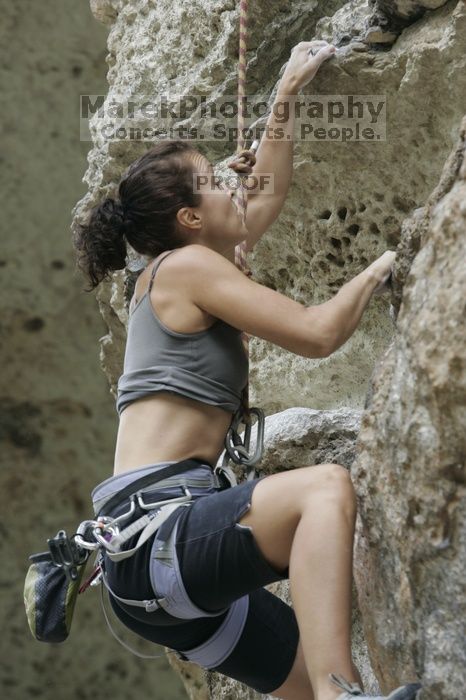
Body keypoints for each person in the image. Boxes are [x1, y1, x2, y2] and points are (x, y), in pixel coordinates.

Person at [72, 40, 421, 700]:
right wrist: (386, 264)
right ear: (188, 218)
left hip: (146, 576)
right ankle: (342, 693)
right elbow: (318, 336)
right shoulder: (189, 269)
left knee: (291, 686)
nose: (233, 182)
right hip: (161, 541)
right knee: (325, 490)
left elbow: (262, 200)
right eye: (213, 181)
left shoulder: (171, 273)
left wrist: (284, 98)